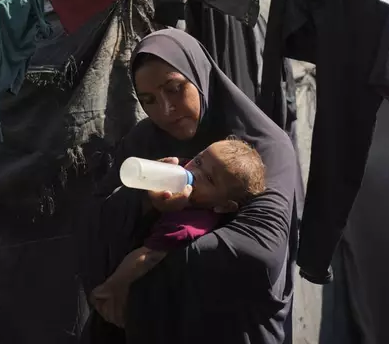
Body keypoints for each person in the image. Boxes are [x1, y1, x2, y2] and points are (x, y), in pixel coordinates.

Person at [77, 28, 299, 344]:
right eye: (149, 100)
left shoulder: (264, 147)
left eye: (175, 88)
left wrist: (148, 259)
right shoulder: (144, 140)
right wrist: (147, 203)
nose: (165, 111)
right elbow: (94, 223)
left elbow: (261, 254)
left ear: (199, 75)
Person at [91, 137, 267, 328]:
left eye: (209, 179)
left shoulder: (189, 225)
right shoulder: (183, 168)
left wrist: (113, 287)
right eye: (198, 161)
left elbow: (147, 257)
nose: (193, 172)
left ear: (224, 206)